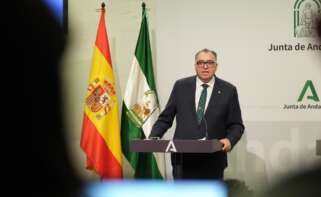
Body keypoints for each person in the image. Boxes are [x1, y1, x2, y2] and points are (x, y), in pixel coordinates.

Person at [149, 48, 244, 180]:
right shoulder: (181, 86)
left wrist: (229, 140)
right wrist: (154, 136)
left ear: (216, 66)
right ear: (195, 66)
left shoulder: (228, 90)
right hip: (182, 160)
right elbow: (166, 118)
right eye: (200, 63)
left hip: (213, 161)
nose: (205, 66)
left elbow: (236, 125)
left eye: (210, 62)